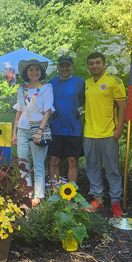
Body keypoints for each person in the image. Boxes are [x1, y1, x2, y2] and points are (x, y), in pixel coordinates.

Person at [84, 52, 126, 217]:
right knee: (92, 167)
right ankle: (98, 198)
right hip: (90, 133)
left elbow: (122, 106)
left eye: (97, 63)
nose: (94, 66)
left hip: (108, 133)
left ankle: (115, 201)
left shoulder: (113, 81)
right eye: (91, 63)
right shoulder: (86, 83)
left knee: (112, 169)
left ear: (104, 63)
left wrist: (119, 130)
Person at [12, 58, 54, 207]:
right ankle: (26, 192)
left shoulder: (46, 88)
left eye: (37, 69)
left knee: (38, 163)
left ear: (41, 72)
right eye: (31, 69)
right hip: (23, 130)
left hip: (38, 129)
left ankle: (39, 195)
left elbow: (47, 111)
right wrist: (14, 133)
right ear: (26, 72)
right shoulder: (22, 89)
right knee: (23, 163)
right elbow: (18, 113)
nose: (34, 72)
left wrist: (40, 131)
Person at [48, 55, 85, 188]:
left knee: (73, 161)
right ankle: (55, 193)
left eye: (67, 65)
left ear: (72, 67)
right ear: (58, 67)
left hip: (73, 128)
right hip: (55, 128)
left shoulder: (80, 82)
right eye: (62, 65)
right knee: (53, 161)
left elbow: (82, 102)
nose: (65, 68)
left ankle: (71, 194)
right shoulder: (51, 83)